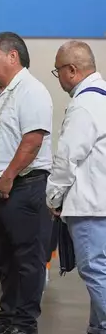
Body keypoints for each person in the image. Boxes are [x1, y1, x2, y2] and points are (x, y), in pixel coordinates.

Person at [0, 32, 53, 334]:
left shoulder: (32, 91)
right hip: (0, 189)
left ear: (12, 56)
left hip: (24, 186)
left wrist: (8, 176)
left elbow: (33, 140)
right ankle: (6, 320)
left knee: (28, 260)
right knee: (5, 258)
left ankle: (24, 323)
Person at [46, 41, 106, 334]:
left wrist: (53, 197)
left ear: (72, 70)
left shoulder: (84, 104)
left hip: (89, 206)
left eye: (58, 71)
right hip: (101, 202)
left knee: (95, 272)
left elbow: (67, 157)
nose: (58, 79)